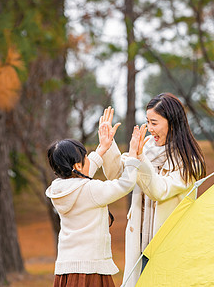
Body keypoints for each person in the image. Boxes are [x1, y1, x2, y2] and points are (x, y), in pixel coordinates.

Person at [100, 93, 207, 286]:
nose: (149, 129)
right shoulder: (146, 147)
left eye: (154, 123)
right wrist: (108, 144)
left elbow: (159, 190)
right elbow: (117, 173)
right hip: (139, 241)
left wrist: (139, 157)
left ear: (172, 122)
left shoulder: (191, 163)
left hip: (169, 243)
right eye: (147, 122)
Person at [45, 120, 146, 287]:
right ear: (77, 165)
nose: (88, 160)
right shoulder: (91, 190)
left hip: (65, 269)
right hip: (90, 269)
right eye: (86, 158)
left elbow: (80, 176)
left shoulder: (58, 189)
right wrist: (133, 156)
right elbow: (124, 184)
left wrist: (103, 148)